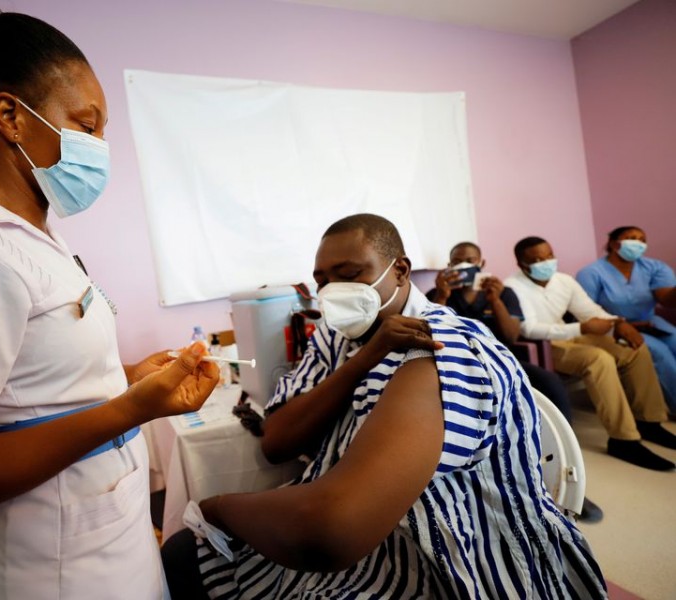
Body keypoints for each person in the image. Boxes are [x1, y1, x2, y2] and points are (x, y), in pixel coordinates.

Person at [0, 9, 218, 599]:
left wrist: (129, 380)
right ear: (10, 116)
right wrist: (129, 409)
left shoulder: (41, 240)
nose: (100, 147)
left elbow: (34, 389)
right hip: (37, 575)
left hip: (111, 551)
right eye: (86, 125)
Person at [162, 214, 606, 599]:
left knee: (197, 550)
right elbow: (276, 441)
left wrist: (216, 507)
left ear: (399, 271)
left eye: (350, 273)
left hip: (459, 553)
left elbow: (332, 529)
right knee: (184, 554)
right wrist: (363, 362)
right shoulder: (339, 336)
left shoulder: (436, 347)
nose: (332, 290)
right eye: (321, 280)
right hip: (372, 533)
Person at [427, 242, 602, 522]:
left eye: (469, 260)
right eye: (457, 261)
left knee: (549, 383)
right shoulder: (436, 296)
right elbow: (432, 333)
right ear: (449, 267)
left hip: (500, 359)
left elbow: (510, 335)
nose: (463, 265)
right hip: (457, 364)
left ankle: (563, 467)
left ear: (481, 264)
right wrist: (442, 296)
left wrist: (495, 301)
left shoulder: (502, 292)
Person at [505, 236, 676, 471]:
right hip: (545, 343)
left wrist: (618, 322)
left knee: (633, 349)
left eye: (549, 256)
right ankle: (623, 439)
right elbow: (529, 329)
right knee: (598, 359)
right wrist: (582, 328)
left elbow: (589, 310)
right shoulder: (512, 287)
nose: (546, 262)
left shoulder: (564, 281)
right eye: (537, 259)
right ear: (522, 264)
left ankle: (649, 421)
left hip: (570, 334)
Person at [577, 226, 676, 413]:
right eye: (632, 238)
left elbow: (666, 299)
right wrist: (621, 324)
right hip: (614, 327)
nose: (637, 243)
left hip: (651, 322)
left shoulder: (654, 267)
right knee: (659, 353)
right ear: (615, 244)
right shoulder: (591, 273)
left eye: (642, 240)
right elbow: (586, 310)